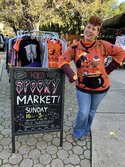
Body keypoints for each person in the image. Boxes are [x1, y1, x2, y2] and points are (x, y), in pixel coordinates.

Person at [58, 16, 125, 139]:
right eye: (88, 27)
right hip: (82, 87)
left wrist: (109, 69)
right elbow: (62, 60)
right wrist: (70, 74)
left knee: (92, 112)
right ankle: (78, 132)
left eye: (94, 29)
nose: (90, 30)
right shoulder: (75, 47)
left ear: (97, 32)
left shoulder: (102, 45)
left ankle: (87, 129)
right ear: (85, 28)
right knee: (83, 112)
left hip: (101, 88)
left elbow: (121, 52)